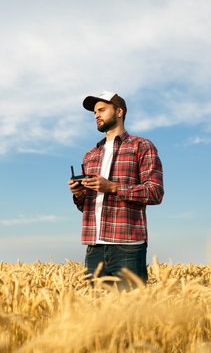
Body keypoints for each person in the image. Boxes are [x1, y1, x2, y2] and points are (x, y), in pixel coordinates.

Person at [68, 91, 164, 289]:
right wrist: (78, 195)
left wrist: (112, 187)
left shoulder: (142, 146)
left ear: (119, 111)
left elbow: (155, 192)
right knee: (94, 313)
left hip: (127, 246)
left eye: (102, 110)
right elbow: (87, 206)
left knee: (131, 314)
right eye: (95, 112)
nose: (96, 115)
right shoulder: (90, 155)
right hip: (94, 246)